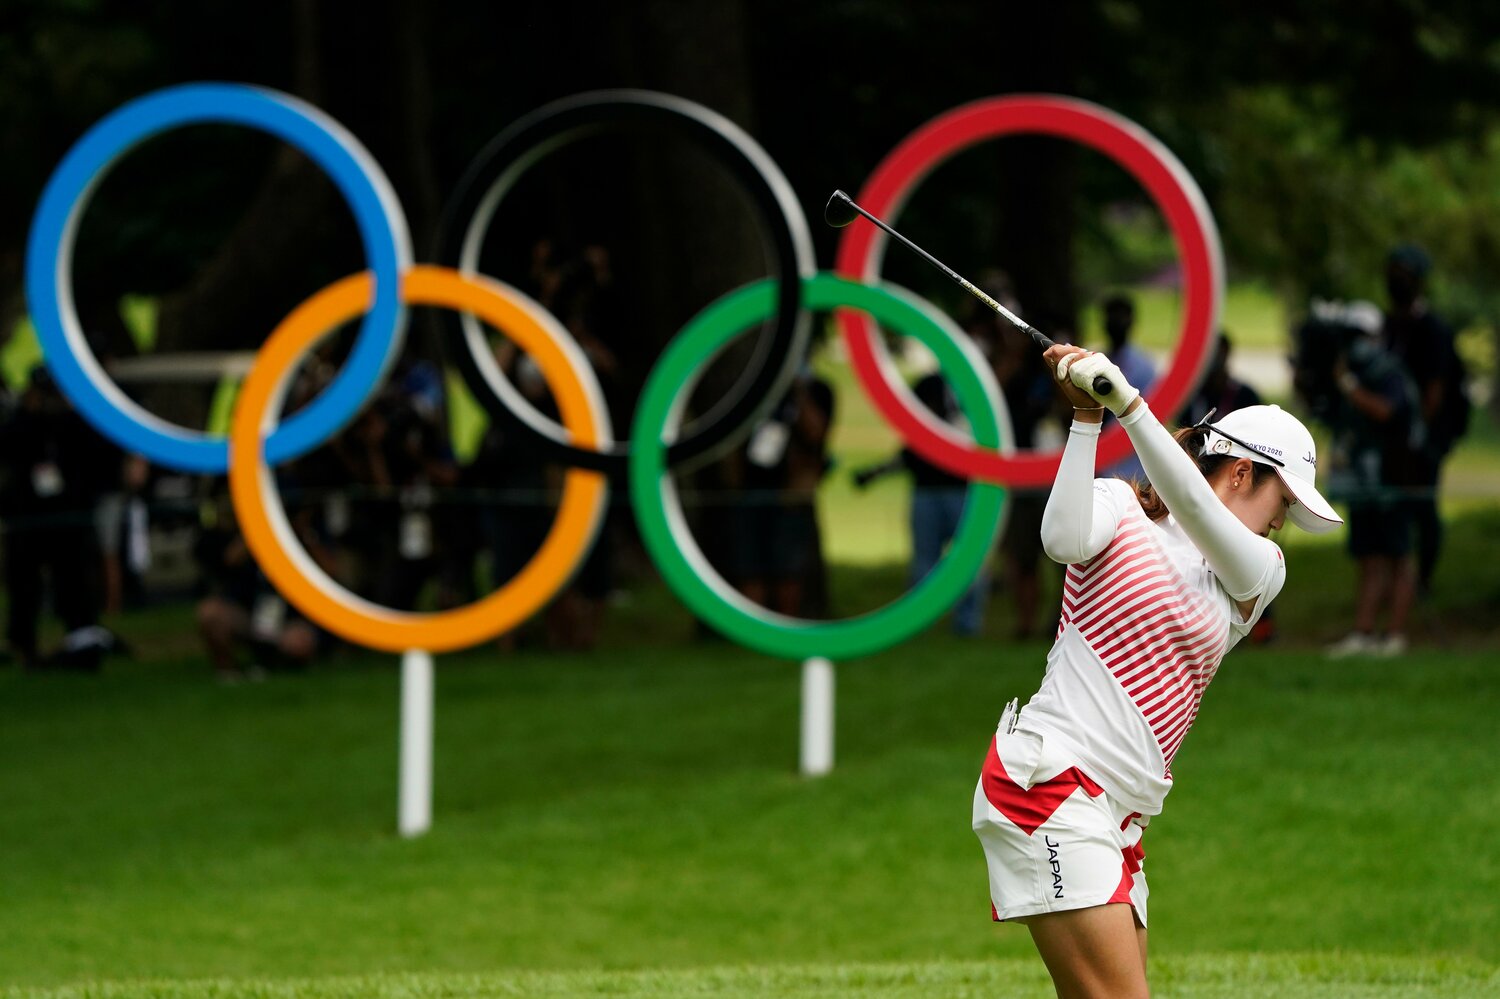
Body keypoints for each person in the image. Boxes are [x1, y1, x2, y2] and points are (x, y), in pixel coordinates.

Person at [972, 343, 1340, 998]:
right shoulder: (1121, 506)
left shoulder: (1260, 572)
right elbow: (1060, 541)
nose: (1282, 522)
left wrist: (1129, 404)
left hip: (1118, 814)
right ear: (1240, 473)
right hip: (1052, 783)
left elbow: (1194, 507)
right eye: (1281, 501)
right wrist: (1089, 419)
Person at [1378, 245, 1467, 595]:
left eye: (1403, 274)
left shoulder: (1432, 330)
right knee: (1392, 509)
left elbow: (1435, 390)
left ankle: (1421, 581)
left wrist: (1418, 437)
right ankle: (1393, 582)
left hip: (1424, 439)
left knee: (1422, 507)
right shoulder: (1389, 325)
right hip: (1394, 438)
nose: (1396, 280)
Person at [1098, 294, 1157, 482]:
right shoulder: (1099, 360)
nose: (1115, 322)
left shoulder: (1143, 367)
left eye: (1120, 317)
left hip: (1132, 462)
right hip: (1103, 459)